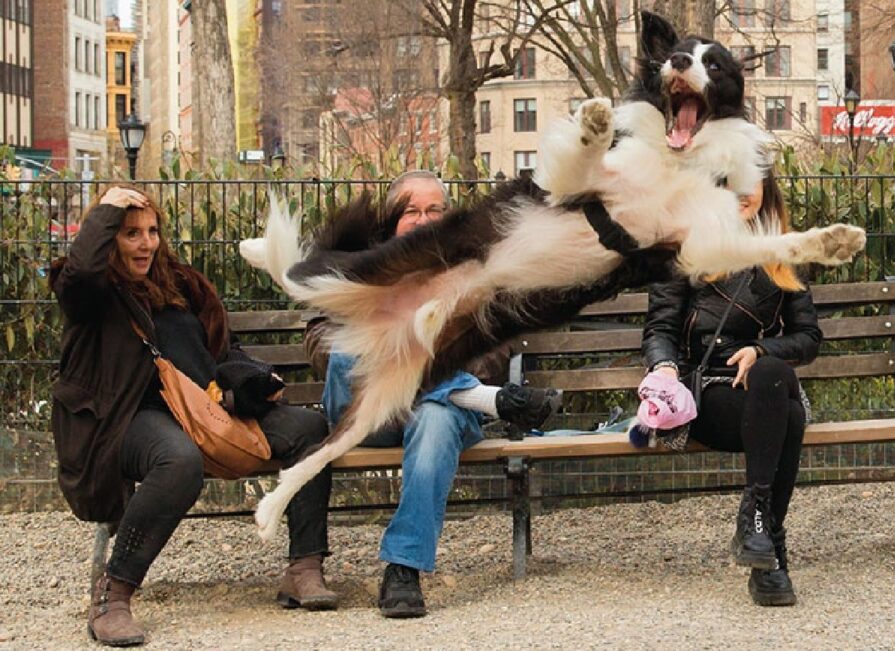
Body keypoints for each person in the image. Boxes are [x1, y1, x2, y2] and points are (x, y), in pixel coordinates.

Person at [50, 185, 337, 647]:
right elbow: (82, 273)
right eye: (130, 234)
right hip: (129, 417)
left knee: (311, 430)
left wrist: (244, 385)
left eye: (152, 231)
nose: (146, 244)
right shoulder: (91, 291)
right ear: (107, 237)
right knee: (178, 460)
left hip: (208, 412)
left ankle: (304, 568)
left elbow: (224, 351)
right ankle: (113, 594)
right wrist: (107, 208)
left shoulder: (182, 285)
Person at [304, 170, 561, 618]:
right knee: (353, 349)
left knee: (437, 418)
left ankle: (403, 568)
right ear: (393, 220)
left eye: (434, 211)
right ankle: (485, 400)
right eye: (411, 211)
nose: (423, 221)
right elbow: (322, 343)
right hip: (368, 412)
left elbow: (496, 347)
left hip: (436, 416)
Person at [641, 171, 822, 607]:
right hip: (704, 395)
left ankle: (757, 529)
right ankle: (771, 548)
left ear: (765, 188)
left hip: (763, 391)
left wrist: (760, 350)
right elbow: (659, 328)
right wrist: (664, 368)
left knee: (774, 375)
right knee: (791, 416)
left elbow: (809, 337)